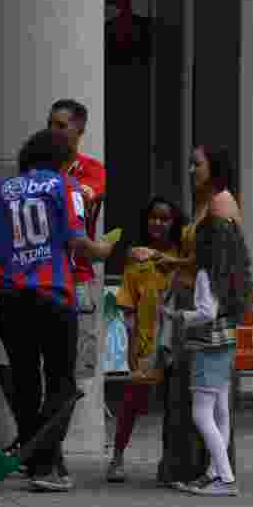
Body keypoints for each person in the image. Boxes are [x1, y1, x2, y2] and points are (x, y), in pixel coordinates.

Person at [0, 129, 115, 491]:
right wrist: (101, 251)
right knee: (62, 381)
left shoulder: (2, 191)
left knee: (25, 381)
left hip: (11, 297)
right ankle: (44, 464)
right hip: (53, 294)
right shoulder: (66, 186)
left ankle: (38, 458)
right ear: (61, 157)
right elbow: (77, 241)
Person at [132, 145, 242, 486]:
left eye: (197, 164)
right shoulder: (205, 204)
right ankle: (213, 470)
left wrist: (176, 271)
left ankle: (214, 472)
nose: (192, 170)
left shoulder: (220, 202)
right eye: (191, 164)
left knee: (201, 403)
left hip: (205, 317)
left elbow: (219, 262)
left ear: (214, 167)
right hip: (199, 309)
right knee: (209, 402)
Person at [162, 215, 253, 496]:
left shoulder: (204, 274)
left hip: (207, 346)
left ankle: (224, 478)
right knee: (220, 412)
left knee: (201, 414)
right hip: (226, 344)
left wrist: (177, 316)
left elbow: (206, 312)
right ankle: (216, 473)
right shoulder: (232, 273)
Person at [47, 99, 107, 486]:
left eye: (61, 125)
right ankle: (45, 449)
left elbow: (85, 199)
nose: (54, 131)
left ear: (79, 130)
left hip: (79, 278)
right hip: (42, 278)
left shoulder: (91, 170)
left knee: (73, 375)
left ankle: (50, 448)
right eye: (50, 124)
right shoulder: (37, 169)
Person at [107, 196, 186, 482]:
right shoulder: (136, 259)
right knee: (131, 403)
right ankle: (116, 457)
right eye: (153, 217)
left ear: (174, 223)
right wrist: (130, 346)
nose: (158, 223)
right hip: (146, 344)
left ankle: (171, 462)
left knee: (176, 406)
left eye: (165, 219)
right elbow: (127, 307)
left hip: (179, 342)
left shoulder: (182, 256)